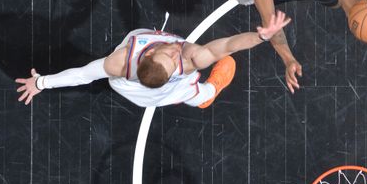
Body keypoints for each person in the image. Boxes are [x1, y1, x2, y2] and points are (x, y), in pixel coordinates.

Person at [15, 12, 291, 108]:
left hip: (153, 80)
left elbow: (229, 45)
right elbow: (83, 74)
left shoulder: (181, 59)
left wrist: (262, 36)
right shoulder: (122, 63)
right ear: (147, 53)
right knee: (199, 94)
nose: (175, 50)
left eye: (169, 54)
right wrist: (41, 83)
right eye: (171, 54)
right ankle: (210, 93)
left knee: (221, 59)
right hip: (139, 89)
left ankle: (203, 93)